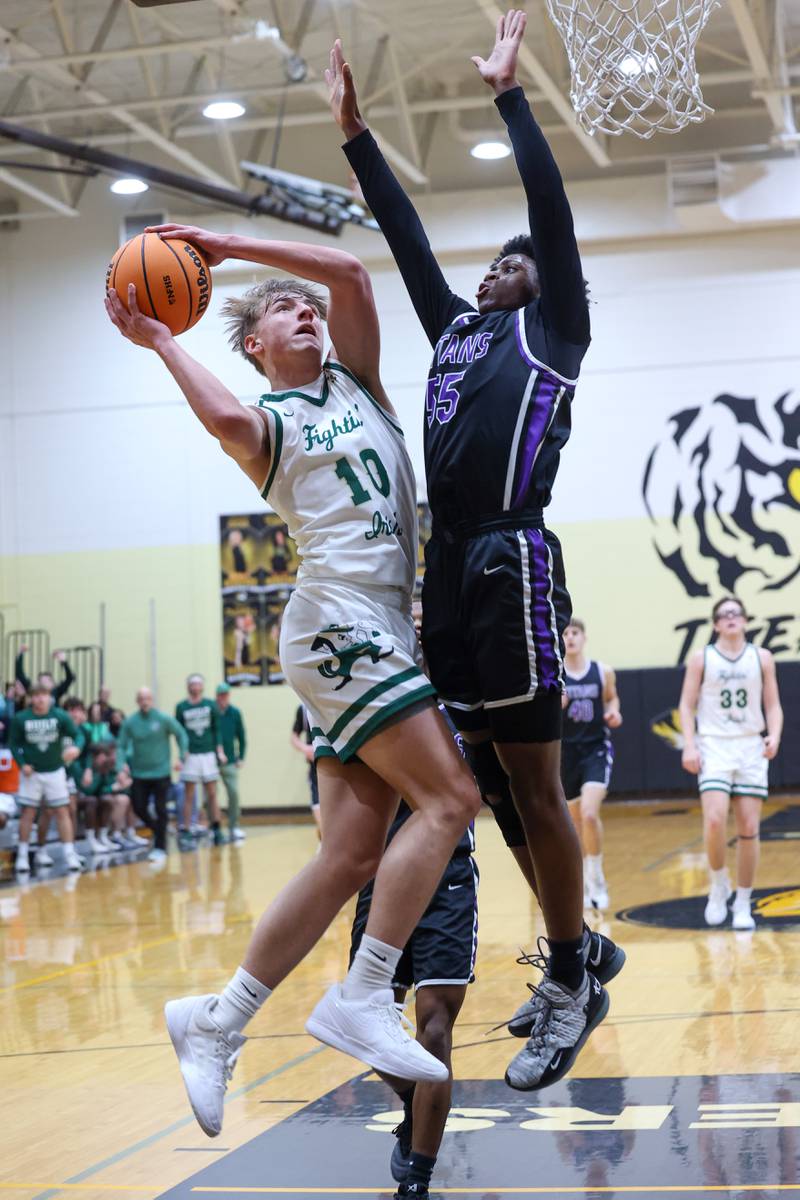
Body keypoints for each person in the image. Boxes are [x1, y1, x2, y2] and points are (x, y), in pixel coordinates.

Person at [105, 217, 480, 1137]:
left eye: (307, 309)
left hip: (378, 625)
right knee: (452, 800)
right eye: (283, 312)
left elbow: (350, 270)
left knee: (350, 855)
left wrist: (234, 248)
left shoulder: (359, 385)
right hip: (341, 621)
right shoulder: (269, 420)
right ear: (251, 345)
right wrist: (159, 339)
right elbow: (229, 418)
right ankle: (364, 992)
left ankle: (216, 1020)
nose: (305, 313)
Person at [327, 12, 609, 1091]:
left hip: (509, 562)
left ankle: (573, 973)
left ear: (540, 286)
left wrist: (507, 95)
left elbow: (549, 213)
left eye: (513, 262)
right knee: (486, 789)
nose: (496, 265)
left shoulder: (556, 329)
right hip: (445, 571)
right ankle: (581, 944)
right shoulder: (453, 332)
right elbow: (402, 236)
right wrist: (357, 140)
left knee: (534, 790)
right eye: (490, 260)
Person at [351, 794, 477, 1200]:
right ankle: (415, 1103)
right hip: (382, 871)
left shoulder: (469, 726)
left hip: (449, 875)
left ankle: (416, 1181)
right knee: (364, 1020)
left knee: (435, 1030)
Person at [679, 596, 783, 930]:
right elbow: (685, 706)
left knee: (749, 829)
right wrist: (690, 746)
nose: (731, 618)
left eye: (736, 613)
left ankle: (742, 902)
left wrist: (774, 735)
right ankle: (717, 884)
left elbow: (774, 705)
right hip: (714, 745)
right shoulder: (702, 658)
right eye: (724, 615)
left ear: (746, 620)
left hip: (750, 745)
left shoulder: (762, 657)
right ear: (715, 624)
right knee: (713, 820)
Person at [561, 619, 622, 910]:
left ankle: (597, 875)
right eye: (566, 633)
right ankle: (585, 877)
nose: (570, 638)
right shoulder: (556, 674)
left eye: (575, 633)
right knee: (574, 822)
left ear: (584, 638)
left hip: (596, 748)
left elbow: (612, 700)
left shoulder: (602, 671)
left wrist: (613, 713)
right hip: (565, 753)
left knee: (588, 813)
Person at [8, 684, 83, 872]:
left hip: (55, 771)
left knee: (62, 812)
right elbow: (13, 743)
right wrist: (22, 763)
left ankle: (69, 854)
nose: (40, 699)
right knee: (28, 813)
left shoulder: (60, 716)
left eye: (44, 695)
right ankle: (23, 856)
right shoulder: (21, 718)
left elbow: (78, 734)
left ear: (50, 698)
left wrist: (76, 748)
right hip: (31, 773)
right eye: (37, 696)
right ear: (31, 699)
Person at [117, 686, 189, 863]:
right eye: (141, 698)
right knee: (139, 807)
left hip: (161, 773)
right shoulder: (131, 722)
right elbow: (121, 745)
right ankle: (158, 831)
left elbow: (181, 734)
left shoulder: (163, 719)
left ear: (152, 700)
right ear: (137, 701)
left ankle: (160, 846)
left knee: (160, 808)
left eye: (147, 698)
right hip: (140, 773)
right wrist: (120, 767)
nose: (144, 701)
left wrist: (182, 756)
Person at [175, 674, 226, 848]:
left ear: (202, 687)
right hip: (191, 755)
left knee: (212, 793)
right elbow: (179, 732)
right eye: (193, 684)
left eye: (198, 684)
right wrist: (182, 752)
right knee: (189, 794)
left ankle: (216, 827)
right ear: (188, 687)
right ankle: (186, 829)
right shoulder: (181, 707)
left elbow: (217, 729)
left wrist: (219, 750)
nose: (196, 687)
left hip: (208, 754)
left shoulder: (210, 705)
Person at [215, 683, 247, 842]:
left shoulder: (235, 713)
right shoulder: (212, 712)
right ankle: (214, 829)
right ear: (216, 696)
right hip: (212, 762)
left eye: (225, 695)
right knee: (210, 797)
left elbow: (242, 737)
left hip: (230, 761)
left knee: (233, 793)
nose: (223, 698)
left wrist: (240, 756)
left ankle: (234, 826)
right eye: (221, 695)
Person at [291, 703, 320, 836]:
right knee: (317, 800)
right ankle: (324, 837)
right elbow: (293, 737)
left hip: (337, 762)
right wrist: (305, 748)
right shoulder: (303, 709)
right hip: (315, 765)